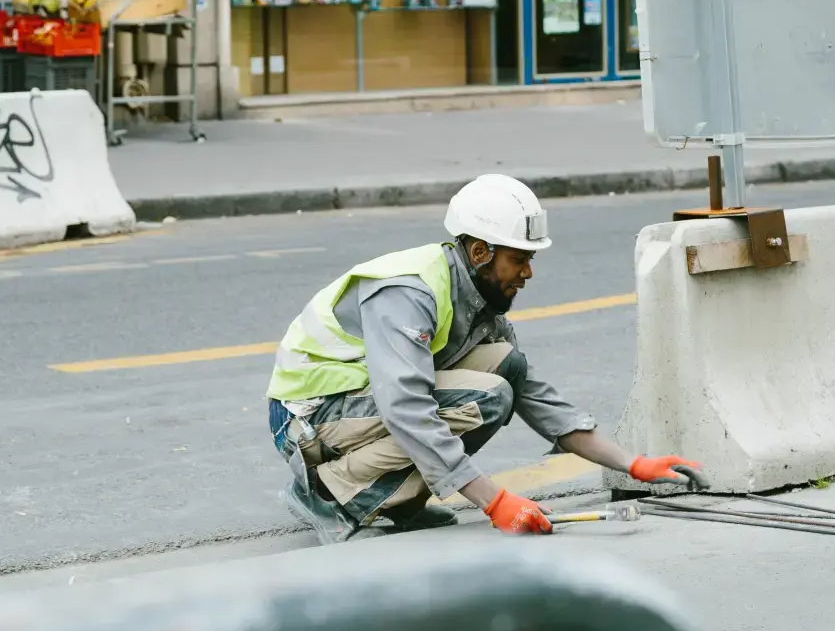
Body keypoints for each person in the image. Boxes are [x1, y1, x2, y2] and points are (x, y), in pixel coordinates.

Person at [266, 174, 706, 544]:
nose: (528, 273)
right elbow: (406, 407)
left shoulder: (477, 299)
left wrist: (633, 464)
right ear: (480, 253)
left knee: (506, 367)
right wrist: (494, 501)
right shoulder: (408, 292)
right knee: (488, 396)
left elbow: (536, 397)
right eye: (519, 260)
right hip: (308, 418)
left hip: (355, 408)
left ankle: (396, 503)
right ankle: (328, 496)